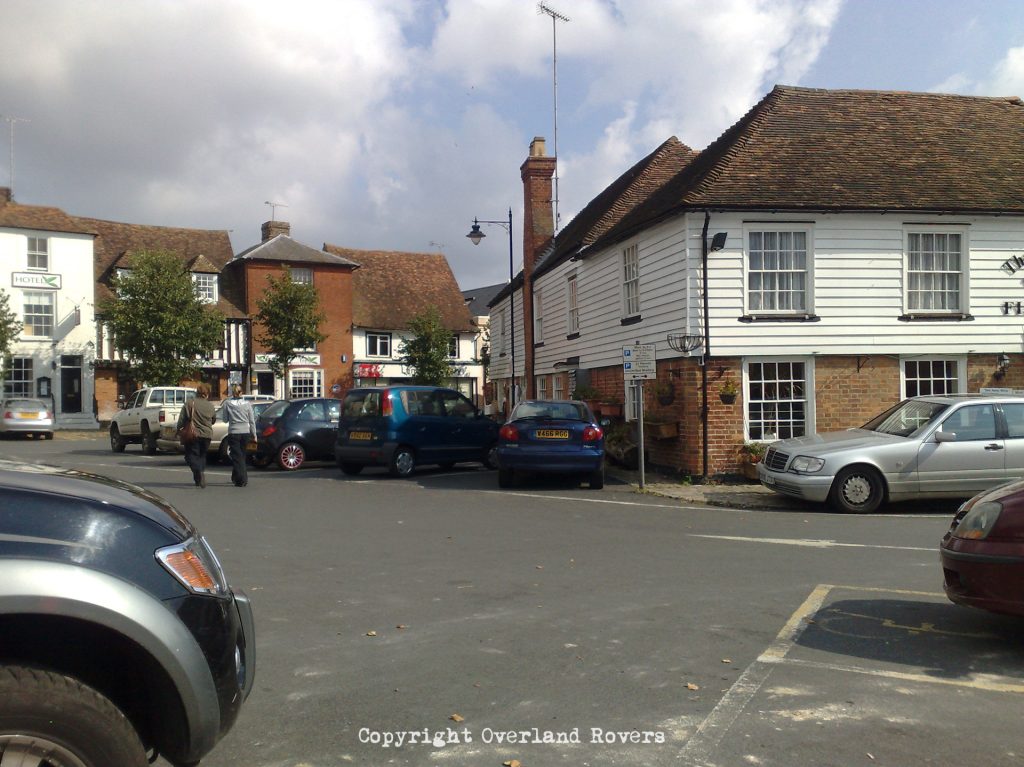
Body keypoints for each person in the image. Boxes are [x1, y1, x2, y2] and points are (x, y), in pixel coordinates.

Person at [179, 383, 216, 488]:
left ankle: (198, 472)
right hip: (207, 435)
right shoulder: (211, 406)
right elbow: (213, 420)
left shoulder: (190, 403)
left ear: (197, 392)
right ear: (207, 394)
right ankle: (198, 478)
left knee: (190, 456)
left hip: (193, 434)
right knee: (202, 455)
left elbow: (182, 418)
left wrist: (179, 429)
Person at [221, 384, 257, 488]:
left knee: (237, 456)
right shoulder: (247, 404)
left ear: (233, 393)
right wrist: (254, 434)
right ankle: (236, 477)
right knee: (242, 455)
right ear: (242, 392)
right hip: (245, 432)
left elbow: (225, 419)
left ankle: (242, 479)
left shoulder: (227, 403)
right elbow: (252, 421)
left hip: (233, 432)